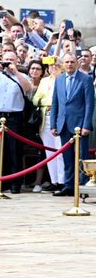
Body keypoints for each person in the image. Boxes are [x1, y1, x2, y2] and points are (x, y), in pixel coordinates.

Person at [0, 50, 32, 194]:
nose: (8, 62)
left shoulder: (21, 76)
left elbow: (28, 88)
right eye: (6, 59)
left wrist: (15, 71)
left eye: (11, 59)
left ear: (17, 61)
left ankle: (15, 183)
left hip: (14, 116)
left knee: (14, 150)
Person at [50, 53, 94, 196]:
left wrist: (86, 125)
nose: (69, 64)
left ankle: (82, 186)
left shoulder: (86, 79)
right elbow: (55, 102)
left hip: (80, 126)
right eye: (67, 62)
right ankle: (69, 185)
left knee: (82, 157)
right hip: (63, 125)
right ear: (63, 64)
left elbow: (89, 104)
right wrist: (53, 124)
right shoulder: (59, 79)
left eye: (72, 62)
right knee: (67, 158)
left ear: (76, 63)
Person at [32, 58, 65, 192]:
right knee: (49, 152)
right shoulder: (45, 81)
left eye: (56, 65)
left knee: (60, 151)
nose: (53, 67)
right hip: (46, 118)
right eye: (51, 65)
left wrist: (49, 100)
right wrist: (49, 101)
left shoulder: (63, 79)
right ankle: (54, 180)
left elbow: (62, 98)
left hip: (59, 117)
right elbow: (35, 99)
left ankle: (62, 181)